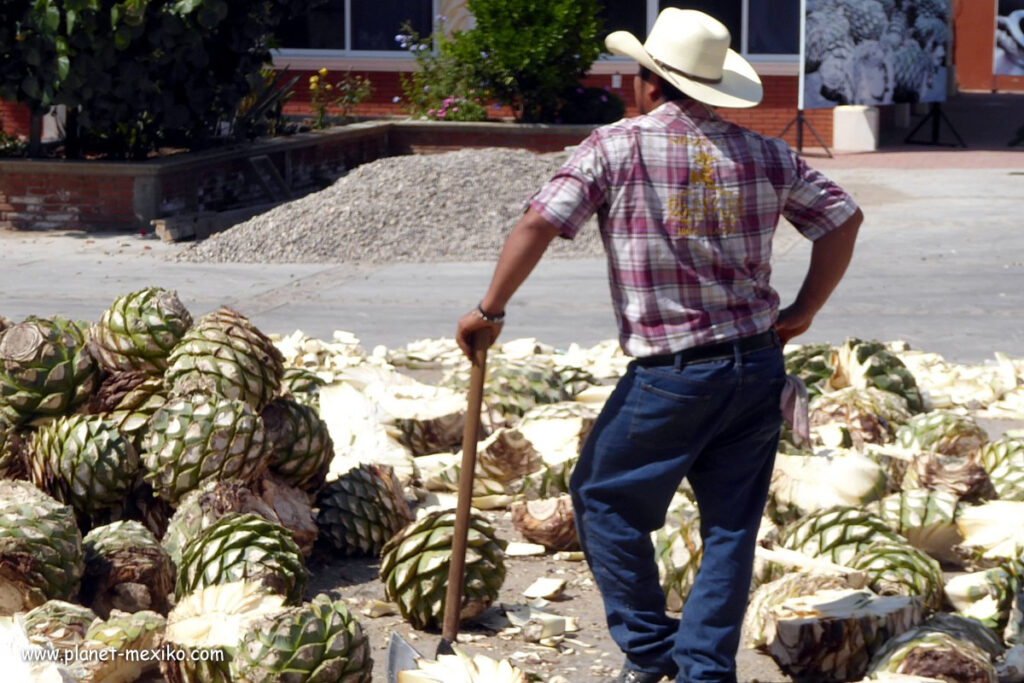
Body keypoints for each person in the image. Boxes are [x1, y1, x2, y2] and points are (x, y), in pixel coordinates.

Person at [455, 8, 862, 682]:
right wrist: (804, 308)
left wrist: (487, 308)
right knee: (731, 526)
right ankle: (703, 669)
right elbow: (842, 220)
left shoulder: (616, 147)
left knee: (603, 499)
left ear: (650, 82)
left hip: (674, 372)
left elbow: (538, 221)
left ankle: (650, 651)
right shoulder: (765, 152)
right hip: (757, 364)